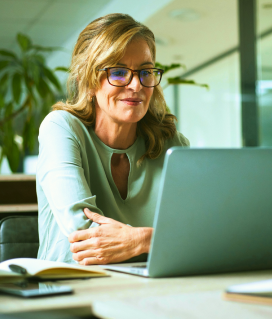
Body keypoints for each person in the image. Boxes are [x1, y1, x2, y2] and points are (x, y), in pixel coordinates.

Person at [36, 13, 189, 265]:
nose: (136, 86)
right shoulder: (61, 128)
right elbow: (87, 235)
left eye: (145, 72)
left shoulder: (172, 145)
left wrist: (139, 240)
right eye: (118, 72)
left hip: (152, 291)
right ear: (88, 81)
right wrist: (161, 239)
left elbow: (199, 234)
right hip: (71, 291)